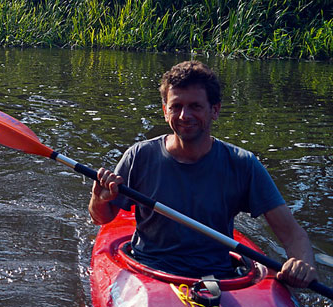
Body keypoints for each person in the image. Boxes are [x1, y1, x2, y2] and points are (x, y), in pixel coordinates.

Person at [88, 60, 317, 287]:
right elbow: (102, 218)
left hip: (217, 276)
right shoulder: (139, 155)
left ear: (214, 110)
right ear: (165, 111)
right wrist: (99, 200)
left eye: (195, 106)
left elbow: (293, 234)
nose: (184, 115)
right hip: (148, 268)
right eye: (176, 106)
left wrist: (301, 264)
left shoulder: (243, 164)